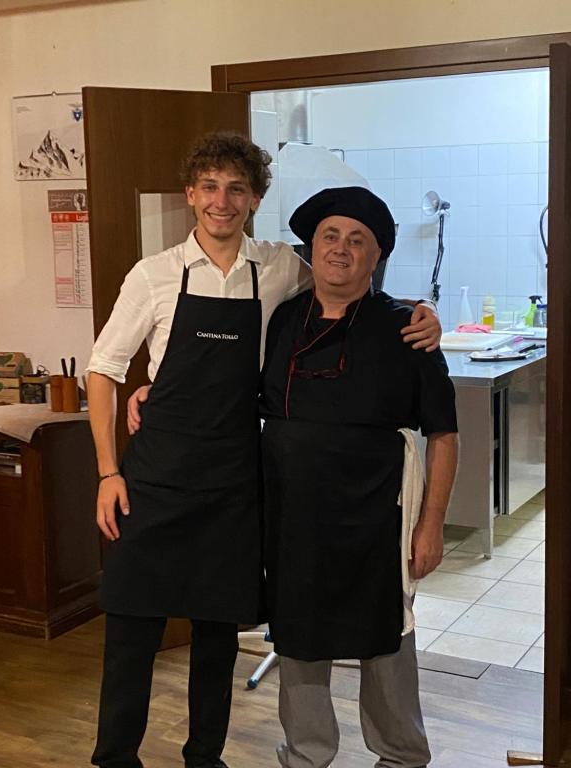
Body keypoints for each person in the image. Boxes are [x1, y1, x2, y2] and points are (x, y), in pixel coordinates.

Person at [87, 132, 441, 768]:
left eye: (237, 189)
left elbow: (349, 283)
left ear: (254, 200)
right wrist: (110, 467)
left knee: (217, 636)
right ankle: (115, 758)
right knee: (132, 629)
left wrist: (422, 310)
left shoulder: (278, 268)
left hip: (232, 484)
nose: (221, 201)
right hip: (156, 478)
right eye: (210, 187)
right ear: (190, 193)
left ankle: (205, 758)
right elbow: (103, 369)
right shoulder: (154, 274)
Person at [259, 187, 459, 768]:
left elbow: (444, 434)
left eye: (357, 240)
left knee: (386, 637)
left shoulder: (406, 329)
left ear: (376, 258)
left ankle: (401, 755)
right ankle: (306, 755)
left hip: (376, 517)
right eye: (330, 236)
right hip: (292, 516)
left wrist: (432, 526)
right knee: (298, 637)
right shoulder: (282, 318)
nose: (340, 249)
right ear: (312, 248)